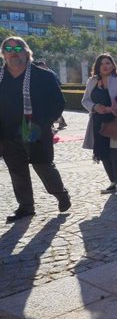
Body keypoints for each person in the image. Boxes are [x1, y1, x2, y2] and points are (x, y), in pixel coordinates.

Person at [0, 36, 71, 223]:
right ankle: (26, 207)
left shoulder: (43, 76)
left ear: (26, 52)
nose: (13, 52)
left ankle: (60, 193)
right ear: (3, 54)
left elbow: (58, 103)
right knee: (17, 171)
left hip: (35, 130)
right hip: (6, 133)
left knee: (43, 165)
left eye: (18, 48)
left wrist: (43, 123)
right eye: (8, 48)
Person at [81, 54, 117, 196]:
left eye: (108, 63)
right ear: (97, 66)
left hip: (116, 121)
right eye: (102, 63)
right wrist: (95, 107)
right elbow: (85, 100)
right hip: (98, 122)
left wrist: (112, 108)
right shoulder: (92, 81)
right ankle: (113, 182)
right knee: (104, 154)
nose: (105, 66)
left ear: (113, 65)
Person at [35, 61, 68, 130]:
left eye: (41, 67)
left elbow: (57, 83)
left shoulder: (49, 73)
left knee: (53, 109)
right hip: (48, 95)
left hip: (52, 94)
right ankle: (56, 124)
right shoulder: (43, 73)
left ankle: (57, 123)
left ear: (44, 66)